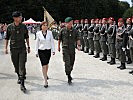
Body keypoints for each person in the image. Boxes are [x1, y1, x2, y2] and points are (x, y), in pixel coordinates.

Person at [5, 11, 30, 93]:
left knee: (21, 65)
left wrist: (28, 46)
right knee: (16, 65)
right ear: (15, 18)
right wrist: (6, 48)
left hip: (22, 48)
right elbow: (7, 38)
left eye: (21, 17)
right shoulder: (9, 27)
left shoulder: (23, 26)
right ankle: (19, 75)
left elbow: (26, 36)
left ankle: (22, 84)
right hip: (13, 49)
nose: (21, 18)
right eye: (19, 17)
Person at [58, 17, 81, 85]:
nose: (71, 24)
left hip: (72, 49)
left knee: (72, 62)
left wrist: (78, 45)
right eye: (70, 23)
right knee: (67, 62)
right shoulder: (62, 30)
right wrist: (58, 46)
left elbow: (78, 38)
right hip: (65, 48)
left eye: (72, 23)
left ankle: (69, 72)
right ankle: (68, 76)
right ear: (66, 23)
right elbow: (59, 39)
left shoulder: (75, 31)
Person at [35, 21, 55, 88]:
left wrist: (53, 50)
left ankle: (45, 74)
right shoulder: (38, 33)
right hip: (41, 51)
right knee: (43, 65)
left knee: (46, 64)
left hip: (48, 51)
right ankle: (45, 81)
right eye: (44, 25)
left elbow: (52, 41)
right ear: (41, 26)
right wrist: (36, 52)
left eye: (46, 25)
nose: (45, 26)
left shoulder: (50, 33)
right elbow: (37, 43)